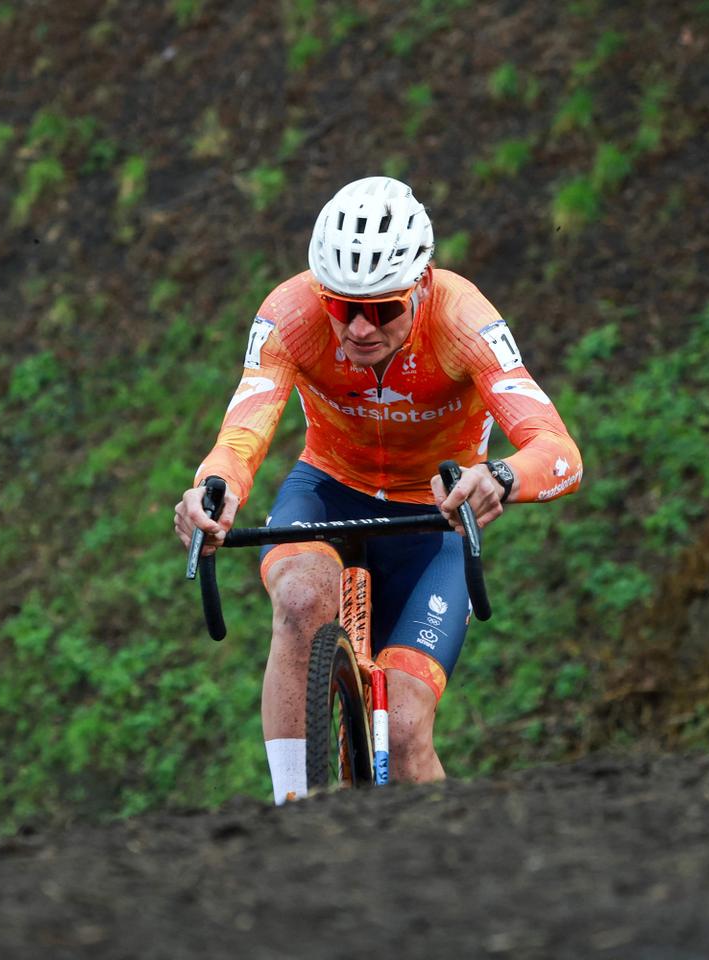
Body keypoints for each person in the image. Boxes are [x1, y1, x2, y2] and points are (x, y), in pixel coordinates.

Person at [174, 176, 582, 805]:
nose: (360, 328)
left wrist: (501, 476)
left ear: (421, 285)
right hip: (329, 491)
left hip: (431, 518)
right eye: (342, 307)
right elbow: (243, 431)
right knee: (303, 598)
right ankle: (293, 812)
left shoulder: (462, 319)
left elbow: (560, 454)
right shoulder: (290, 315)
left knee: (409, 728)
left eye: (384, 309)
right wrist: (214, 487)